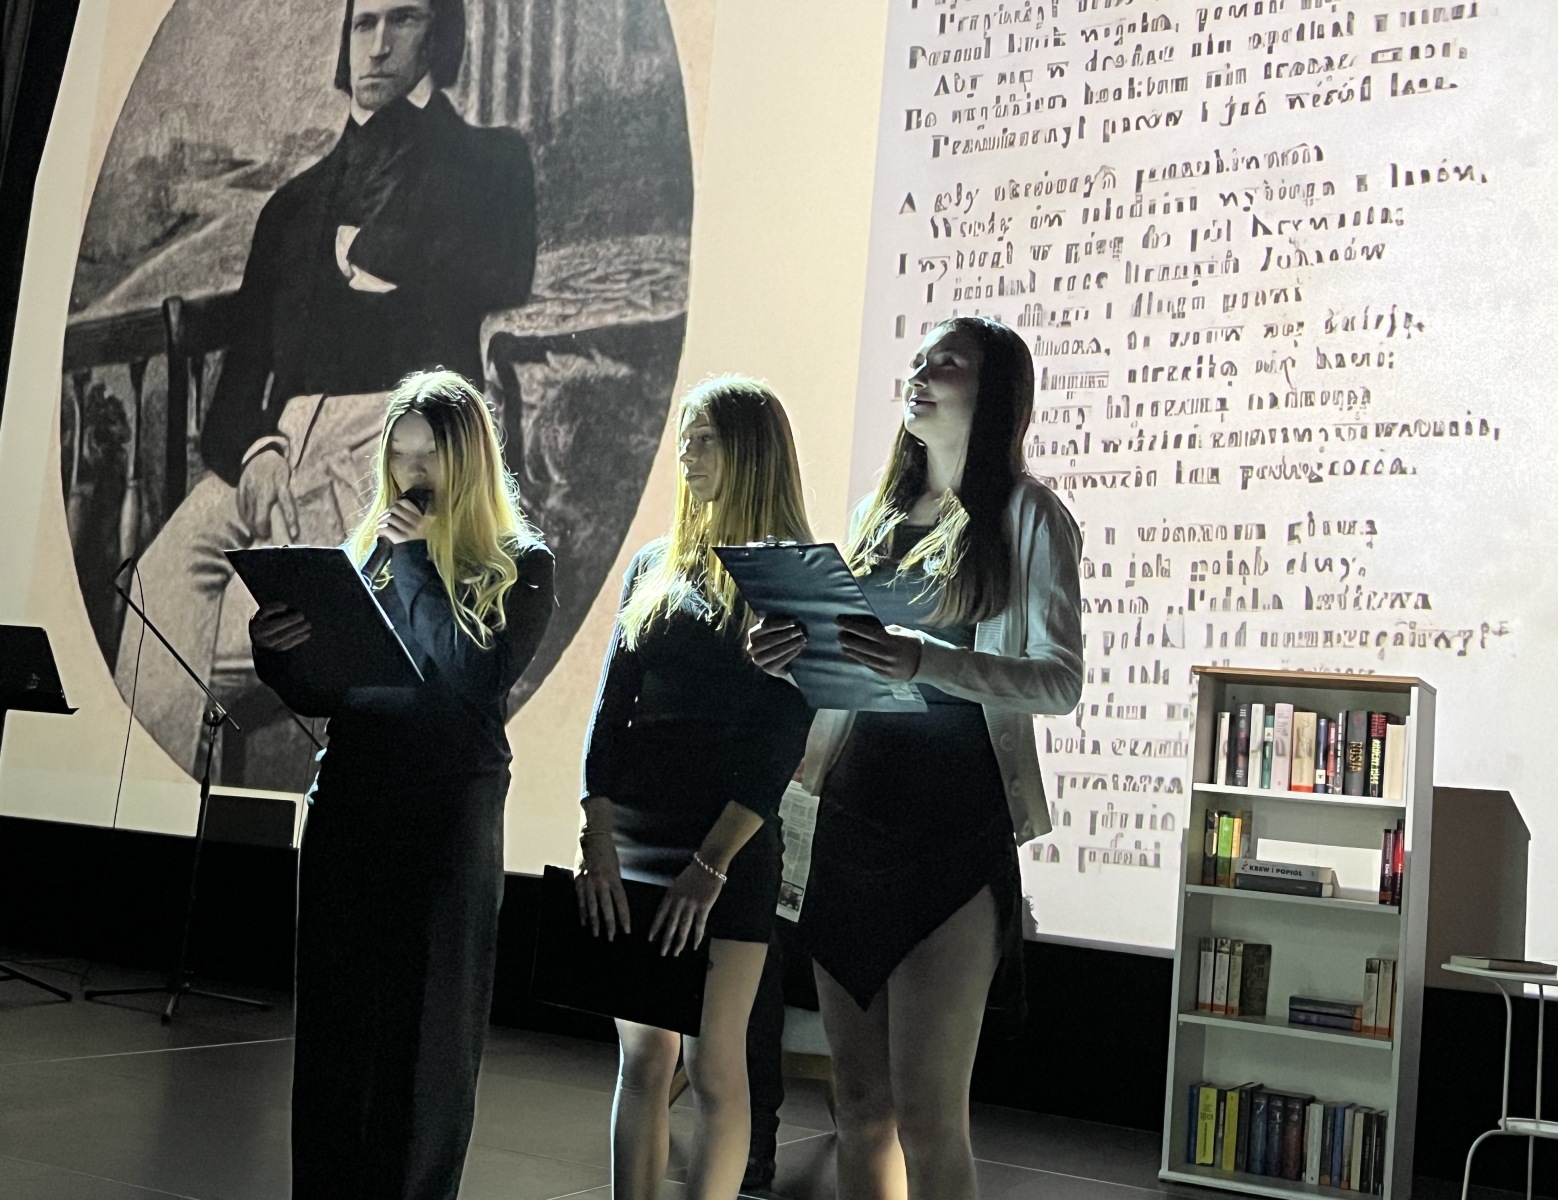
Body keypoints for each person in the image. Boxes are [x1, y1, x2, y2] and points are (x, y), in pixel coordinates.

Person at [118, 0, 537, 775]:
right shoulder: (292, 206)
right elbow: (237, 389)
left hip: (390, 449)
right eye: (363, 25)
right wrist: (257, 451)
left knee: (241, 640)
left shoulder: (489, 163)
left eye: (402, 21)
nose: (376, 46)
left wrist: (381, 247)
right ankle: (150, 806)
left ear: (438, 35)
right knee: (153, 597)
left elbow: (503, 270)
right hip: (273, 452)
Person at [748, 316, 1084, 1200]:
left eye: (948, 362)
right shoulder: (879, 515)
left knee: (931, 1118)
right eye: (918, 359)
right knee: (859, 1108)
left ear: (996, 391)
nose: (921, 373)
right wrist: (789, 656)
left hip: (954, 830)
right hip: (849, 825)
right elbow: (846, 667)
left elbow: (1059, 681)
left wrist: (925, 660)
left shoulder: (1029, 515)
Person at [248, 370, 554, 1200]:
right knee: (336, 1031)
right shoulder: (368, 558)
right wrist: (279, 651)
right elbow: (330, 692)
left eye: (430, 456)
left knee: (427, 1039)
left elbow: (472, 677)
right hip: (351, 804)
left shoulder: (520, 565)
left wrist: (417, 563)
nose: (411, 473)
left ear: (469, 463)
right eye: (400, 454)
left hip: (445, 818)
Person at [574, 376, 815, 1200]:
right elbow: (610, 712)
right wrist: (597, 834)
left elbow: (781, 740)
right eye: (684, 437)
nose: (686, 453)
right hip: (637, 837)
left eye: (704, 437)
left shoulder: (792, 577)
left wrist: (711, 864)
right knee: (643, 1057)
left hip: (729, 846)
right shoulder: (654, 563)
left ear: (750, 450)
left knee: (715, 1063)